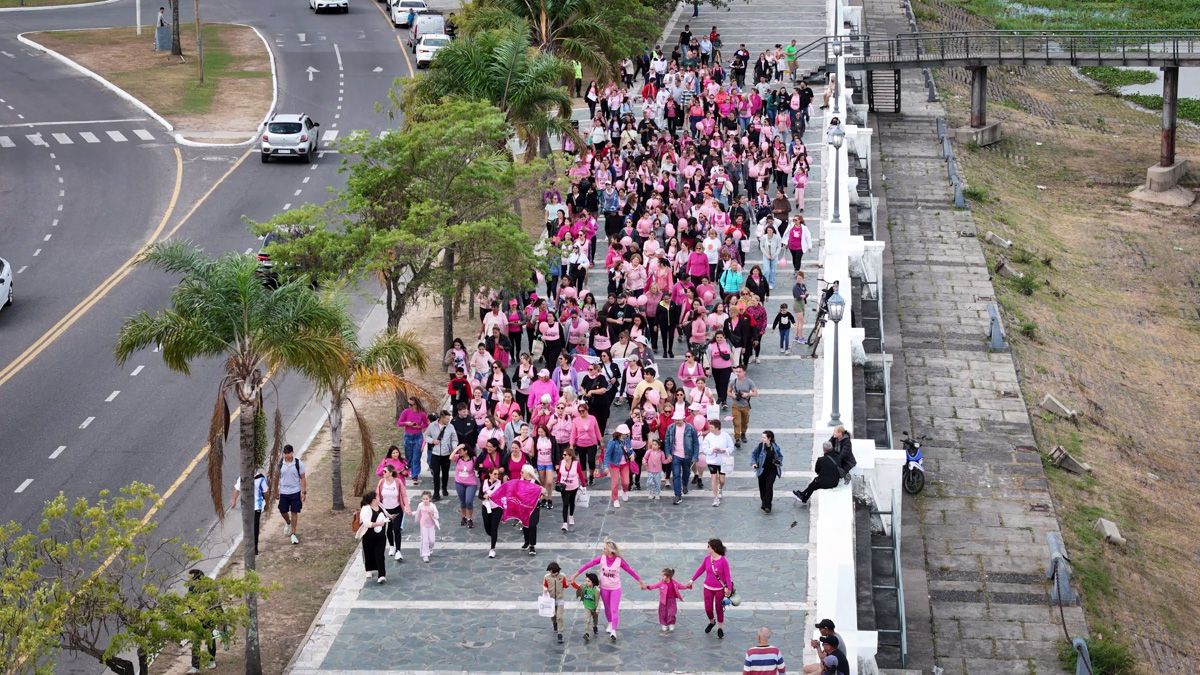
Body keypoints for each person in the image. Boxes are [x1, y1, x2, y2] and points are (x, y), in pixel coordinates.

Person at [572, 540, 644, 642]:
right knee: (607, 608)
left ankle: (613, 631)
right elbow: (588, 565)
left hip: (615, 589)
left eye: (604, 548)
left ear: (610, 551)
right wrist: (576, 574)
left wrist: (640, 581)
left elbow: (630, 570)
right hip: (604, 588)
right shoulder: (602, 558)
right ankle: (610, 622)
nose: (603, 550)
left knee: (614, 609)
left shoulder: (619, 561)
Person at [686, 538, 733, 639]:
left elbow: (728, 576)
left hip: (720, 589)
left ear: (714, 548)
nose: (707, 548)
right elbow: (700, 569)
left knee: (719, 608)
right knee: (708, 609)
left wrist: (728, 588)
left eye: (709, 546)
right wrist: (691, 580)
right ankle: (712, 622)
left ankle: (720, 628)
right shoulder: (707, 559)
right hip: (707, 588)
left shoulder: (723, 561)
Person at [185, 570, 219, 672]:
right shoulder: (192, 587)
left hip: (209, 616)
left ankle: (211, 660)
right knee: (195, 641)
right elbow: (189, 601)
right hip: (197, 618)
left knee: (210, 638)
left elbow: (216, 601)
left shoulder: (210, 585)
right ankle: (195, 666)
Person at [354, 490, 390, 584]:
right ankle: (368, 570)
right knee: (368, 553)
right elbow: (367, 523)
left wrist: (390, 517)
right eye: (377, 497)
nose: (379, 498)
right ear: (373, 500)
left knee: (380, 554)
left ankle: (382, 575)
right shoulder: (366, 509)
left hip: (381, 536)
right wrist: (379, 524)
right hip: (369, 536)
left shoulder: (380, 505)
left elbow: (385, 514)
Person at [376, 467, 412, 562]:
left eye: (385, 471)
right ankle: (391, 546)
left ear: (391, 473)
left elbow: (404, 495)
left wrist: (407, 507)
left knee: (396, 529)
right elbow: (377, 496)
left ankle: (398, 551)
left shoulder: (398, 482)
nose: (383, 473)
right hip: (385, 510)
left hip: (397, 509)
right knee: (389, 529)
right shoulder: (381, 482)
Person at [229, 468, 267, 555]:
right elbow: (237, 489)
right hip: (246, 507)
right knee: (248, 527)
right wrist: (233, 500)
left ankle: (255, 548)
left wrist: (267, 503)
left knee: (255, 527)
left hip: (257, 506)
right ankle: (249, 545)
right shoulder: (243, 477)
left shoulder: (260, 478)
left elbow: (265, 492)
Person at [665, 411, 700, 504]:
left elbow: (696, 443)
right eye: (675, 420)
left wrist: (695, 456)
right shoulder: (671, 428)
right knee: (676, 475)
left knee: (686, 473)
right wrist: (668, 454)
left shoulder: (690, 428)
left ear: (683, 419)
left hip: (687, 455)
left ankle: (684, 484)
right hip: (675, 455)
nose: (677, 421)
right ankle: (677, 495)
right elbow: (667, 442)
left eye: (679, 420)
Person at [424, 410, 457, 501]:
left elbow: (454, 439)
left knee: (445, 473)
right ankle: (436, 494)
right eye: (447, 419)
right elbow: (426, 436)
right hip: (435, 453)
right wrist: (432, 441)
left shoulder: (451, 427)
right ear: (441, 418)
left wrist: (454, 448)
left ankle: (444, 488)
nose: (448, 420)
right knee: (436, 473)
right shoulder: (432, 425)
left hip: (446, 454)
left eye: (449, 418)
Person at [277, 444, 306, 545]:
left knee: (294, 512)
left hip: (295, 492)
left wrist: (303, 492)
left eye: (288, 453)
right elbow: (278, 478)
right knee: (282, 510)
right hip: (284, 492)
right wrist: (277, 490)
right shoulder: (280, 464)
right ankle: (288, 522)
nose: (286, 455)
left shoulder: (298, 463)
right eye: (285, 453)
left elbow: (302, 477)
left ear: (292, 453)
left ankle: (293, 534)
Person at [396, 398, 428, 485]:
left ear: (416, 404)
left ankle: (415, 475)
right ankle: (409, 469)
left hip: (418, 437)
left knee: (416, 457)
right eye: (409, 404)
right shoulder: (406, 412)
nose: (409, 406)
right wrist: (407, 423)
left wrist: (419, 426)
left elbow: (426, 424)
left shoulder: (422, 413)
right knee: (409, 456)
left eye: (411, 404)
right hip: (408, 436)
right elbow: (399, 423)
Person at [702, 420, 735, 507]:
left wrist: (725, 450)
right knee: (714, 478)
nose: (710, 429)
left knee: (722, 480)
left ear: (717, 427)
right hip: (712, 460)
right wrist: (712, 450)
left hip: (723, 460)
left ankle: (720, 488)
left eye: (712, 427)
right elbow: (704, 448)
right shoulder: (708, 436)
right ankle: (715, 498)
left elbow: (731, 447)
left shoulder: (726, 436)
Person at [750, 431, 783, 512]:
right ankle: (763, 502)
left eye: (764, 437)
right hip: (762, 470)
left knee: (769, 487)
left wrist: (778, 461)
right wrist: (753, 463)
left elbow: (780, 456)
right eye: (762, 437)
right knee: (762, 488)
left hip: (772, 471)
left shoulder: (775, 447)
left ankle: (768, 505)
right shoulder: (760, 446)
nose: (762, 439)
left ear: (769, 438)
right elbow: (753, 454)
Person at [645, 567, 685, 632]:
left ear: (668, 576)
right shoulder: (661, 583)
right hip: (663, 601)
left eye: (663, 576)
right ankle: (664, 624)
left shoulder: (674, 583)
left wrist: (686, 586)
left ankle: (671, 623)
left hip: (672, 601)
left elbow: (680, 586)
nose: (662, 577)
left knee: (672, 613)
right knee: (662, 613)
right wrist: (647, 587)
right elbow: (654, 586)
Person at [603, 424, 633, 508]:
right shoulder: (612, 442)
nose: (626, 434)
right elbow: (607, 455)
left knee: (626, 482)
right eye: (625, 433)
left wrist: (633, 454)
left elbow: (630, 450)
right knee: (615, 483)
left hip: (625, 464)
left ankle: (624, 491)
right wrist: (605, 466)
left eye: (626, 433)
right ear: (620, 433)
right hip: (614, 464)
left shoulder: (627, 440)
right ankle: (615, 499)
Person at [557, 446, 586, 532]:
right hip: (564, 487)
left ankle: (571, 515)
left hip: (573, 486)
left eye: (565, 455)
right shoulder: (561, 462)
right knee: (565, 504)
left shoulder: (576, 464)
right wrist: (557, 481)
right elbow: (559, 473)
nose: (563, 456)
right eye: (563, 454)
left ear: (570, 456)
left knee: (571, 502)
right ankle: (565, 523)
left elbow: (580, 474)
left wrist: (584, 485)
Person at [728, 365, 758, 446]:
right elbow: (728, 391)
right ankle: (737, 438)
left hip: (745, 406)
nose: (737, 373)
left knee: (745, 422)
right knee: (736, 422)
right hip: (736, 405)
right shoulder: (733, 382)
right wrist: (733, 395)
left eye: (739, 371)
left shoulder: (749, 382)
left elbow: (755, 393)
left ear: (744, 372)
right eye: (736, 371)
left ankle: (743, 433)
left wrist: (747, 394)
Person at [452, 444, 478, 528]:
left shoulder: (473, 459)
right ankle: (463, 517)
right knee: (462, 502)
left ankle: (469, 518)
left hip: (471, 483)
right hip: (459, 482)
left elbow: (478, 466)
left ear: (466, 451)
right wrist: (457, 448)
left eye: (461, 450)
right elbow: (450, 457)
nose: (459, 452)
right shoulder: (458, 457)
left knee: (468, 501)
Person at [479, 467, 504, 558]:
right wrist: (484, 496)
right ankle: (493, 536)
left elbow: (504, 495)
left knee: (494, 528)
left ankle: (492, 549)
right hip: (486, 507)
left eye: (498, 474)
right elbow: (480, 495)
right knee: (487, 528)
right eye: (495, 474)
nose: (497, 476)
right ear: (490, 474)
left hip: (497, 508)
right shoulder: (484, 482)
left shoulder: (500, 483)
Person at [543, 561, 569, 643]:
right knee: (553, 615)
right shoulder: (547, 577)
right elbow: (544, 585)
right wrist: (545, 589)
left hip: (560, 599)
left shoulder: (562, 576)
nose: (550, 572)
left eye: (551, 571)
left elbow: (565, 585)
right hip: (551, 600)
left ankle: (560, 633)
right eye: (549, 571)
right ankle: (554, 623)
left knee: (559, 617)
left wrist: (570, 583)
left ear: (555, 570)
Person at [571, 572, 601, 642]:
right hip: (587, 606)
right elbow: (578, 587)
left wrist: (597, 609)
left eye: (588, 581)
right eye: (586, 580)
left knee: (595, 619)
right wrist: (572, 583)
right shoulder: (584, 587)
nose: (586, 582)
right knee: (587, 620)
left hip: (594, 608)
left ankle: (595, 626)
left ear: (593, 582)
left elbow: (598, 601)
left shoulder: (596, 591)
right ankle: (586, 633)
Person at [519, 464, 542, 555]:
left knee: (532, 525)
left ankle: (532, 545)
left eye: (522, 472)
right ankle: (527, 541)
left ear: (528, 473)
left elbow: (540, 493)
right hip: (523, 507)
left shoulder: (535, 482)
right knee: (525, 525)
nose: (521, 473)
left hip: (534, 507)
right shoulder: (520, 481)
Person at [415, 490, 440, 563]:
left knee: (431, 540)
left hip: (431, 524)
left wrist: (433, 514)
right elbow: (417, 513)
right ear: (421, 499)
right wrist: (413, 514)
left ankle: (430, 548)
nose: (425, 500)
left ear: (430, 499)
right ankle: (425, 554)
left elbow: (437, 515)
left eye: (426, 499)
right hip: (423, 525)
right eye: (423, 499)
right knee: (425, 540)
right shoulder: (420, 505)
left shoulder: (432, 506)